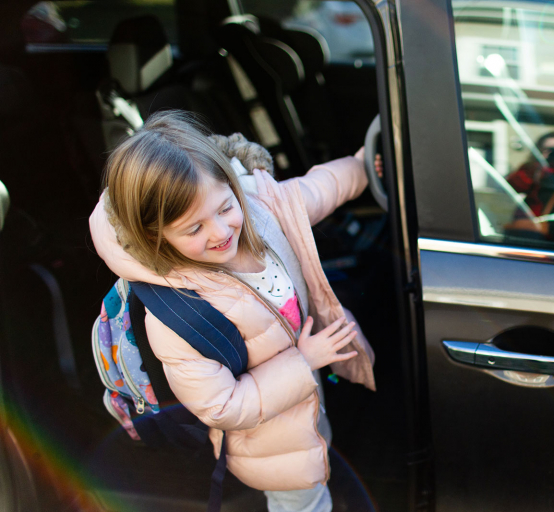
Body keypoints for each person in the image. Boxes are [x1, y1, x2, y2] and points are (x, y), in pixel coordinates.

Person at [89, 110, 377, 512]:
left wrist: (365, 164)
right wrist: (303, 361)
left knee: (319, 462)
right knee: (301, 501)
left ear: (231, 183)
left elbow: (321, 188)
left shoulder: (261, 210)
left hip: (304, 401)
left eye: (225, 208)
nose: (221, 232)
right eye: (194, 229)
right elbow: (221, 406)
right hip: (265, 441)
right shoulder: (176, 313)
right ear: (156, 236)